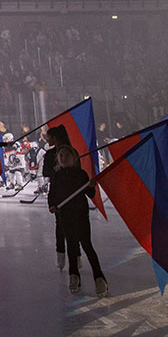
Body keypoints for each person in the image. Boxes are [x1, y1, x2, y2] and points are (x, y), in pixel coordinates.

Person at [48, 146, 108, 296]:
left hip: (80, 213)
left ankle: (99, 277)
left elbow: (89, 193)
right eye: (61, 155)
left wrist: (92, 185)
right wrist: (52, 205)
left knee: (87, 244)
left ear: (74, 158)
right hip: (65, 214)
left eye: (67, 155)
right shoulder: (57, 176)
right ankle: (74, 275)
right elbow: (52, 193)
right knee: (72, 245)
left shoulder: (81, 174)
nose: (63, 158)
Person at [42, 125, 72, 268]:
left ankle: (75, 254)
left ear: (55, 137)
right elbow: (45, 172)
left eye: (49, 137)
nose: (47, 139)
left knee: (74, 226)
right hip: (57, 192)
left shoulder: (70, 151)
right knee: (60, 225)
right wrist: (56, 169)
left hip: (71, 192)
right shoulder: (49, 155)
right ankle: (61, 253)